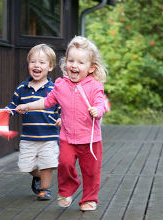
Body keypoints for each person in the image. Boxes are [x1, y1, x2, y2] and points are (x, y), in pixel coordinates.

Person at [15, 36, 107, 211]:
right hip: (67, 137)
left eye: (80, 62)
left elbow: (100, 103)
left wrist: (98, 110)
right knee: (64, 164)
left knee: (91, 172)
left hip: (90, 140)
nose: (74, 65)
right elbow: (46, 102)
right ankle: (66, 190)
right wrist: (27, 106)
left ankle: (89, 199)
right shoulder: (60, 85)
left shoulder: (95, 86)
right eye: (71, 60)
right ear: (65, 63)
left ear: (91, 68)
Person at [6, 44, 61, 201]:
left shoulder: (54, 89)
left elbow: (61, 107)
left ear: (50, 67)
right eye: (33, 62)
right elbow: (12, 106)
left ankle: (45, 189)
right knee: (26, 166)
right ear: (28, 64)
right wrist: (5, 113)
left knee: (47, 163)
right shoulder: (22, 88)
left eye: (42, 62)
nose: (37, 65)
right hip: (28, 137)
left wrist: (61, 118)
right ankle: (38, 177)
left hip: (49, 136)